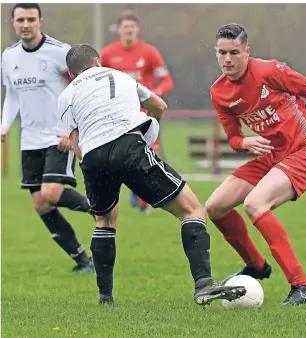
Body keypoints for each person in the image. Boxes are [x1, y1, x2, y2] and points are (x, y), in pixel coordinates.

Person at [58, 43, 246, 305]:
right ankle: (203, 284)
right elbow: (159, 105)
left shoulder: (66, 95)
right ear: (97, 61)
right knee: (192, 210)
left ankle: (105, 298)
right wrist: (150, 126)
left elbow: (76, 142)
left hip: (93, 157)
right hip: (129, 146)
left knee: (103, 222)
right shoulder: (121, 75)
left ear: (71, 74)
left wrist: (92, 165)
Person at [206, 23, 306, 305]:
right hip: (271, 156)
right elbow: (234, 137)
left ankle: (303, 285)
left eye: (234, 52)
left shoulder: (269, 71)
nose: (227, 59)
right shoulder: (218, 92)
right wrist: (244, 143)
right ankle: (256, 265)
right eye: (222, 52)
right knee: (215, 206)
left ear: (247, 52)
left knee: (254, 204)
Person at [1, 3, 95, 273]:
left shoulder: (60, 52)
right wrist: (4, 126)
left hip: (58, 136)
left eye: (31, 19)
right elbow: (12, 97)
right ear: (13, 23)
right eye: (21, 20)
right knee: (40, 204)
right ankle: (82, 261)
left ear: (40, 20)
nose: (26, 24)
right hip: (29, 141)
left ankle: (98, 206)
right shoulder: (8, 57)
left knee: (51, 193)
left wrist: (71, 128)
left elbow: (83, 87)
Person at [101, 10, 174, 214]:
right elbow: (97, 78)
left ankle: (143, 203)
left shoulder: (149, 52)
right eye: (125, 27)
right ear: (119, 30)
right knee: (121, 155)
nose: (129, 31)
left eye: (132, 27)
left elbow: (167, 80)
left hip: (145, 113)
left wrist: (154, 95)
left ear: (137, 29)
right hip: (118, 113)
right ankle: (134, 191)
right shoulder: (108, 53)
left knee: (150, 152)